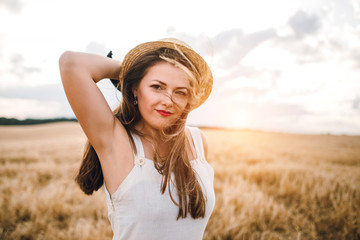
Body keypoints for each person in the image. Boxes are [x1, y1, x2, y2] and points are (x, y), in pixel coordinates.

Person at [59, 38, 215, 240]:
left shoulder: (198, 141)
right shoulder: (117, 143)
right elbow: (71, 63)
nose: (167, 100)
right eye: (157, 86)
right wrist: (131, 71)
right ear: (135, 88)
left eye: (180, 92)